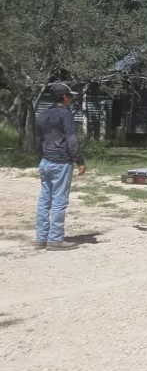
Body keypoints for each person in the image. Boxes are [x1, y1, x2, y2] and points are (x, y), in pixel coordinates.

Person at [35, 82, 86, 250]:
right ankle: (56, 239)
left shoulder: (42, 114)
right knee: (59, 200)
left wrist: (42, 156)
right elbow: (71, 139)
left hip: (45, 161)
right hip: (61, 161)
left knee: (44, 199)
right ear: (64, 97)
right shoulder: (66, 114)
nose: (71, 99)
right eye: (70, 96)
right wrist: (79, 160)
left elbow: (38, 140)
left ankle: (41, 238)